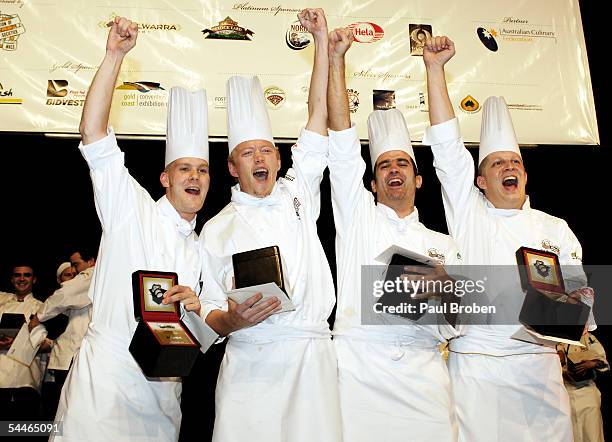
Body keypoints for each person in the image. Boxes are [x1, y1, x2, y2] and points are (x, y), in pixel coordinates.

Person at [51, 16, 218, 441]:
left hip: (162, 402)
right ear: (165, 178)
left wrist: (196, 309)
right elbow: (93, 133)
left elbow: (204, 336)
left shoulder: (203, 251)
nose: (194, 177)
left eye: (202, 169)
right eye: (184, 168)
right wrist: (114, 57)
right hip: (102, 391)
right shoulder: (132, 208)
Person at [422, 35, 592, 441]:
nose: (508, 167)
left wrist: (581, 314)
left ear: (526, 175)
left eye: (515, 161)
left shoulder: (555, 228)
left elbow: (580, 296)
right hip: (479, 371)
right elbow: (446, 146)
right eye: (497, 163)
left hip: (540, 369)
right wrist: (434, 68)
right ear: (481, 180)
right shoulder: (469, 213)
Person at [200, 8, 341, 442]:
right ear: (231, 166)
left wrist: (320, 41)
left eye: (267, 150)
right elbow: (205, 311)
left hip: (312, 358)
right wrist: (231, 320)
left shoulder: (300, 192)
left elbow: (318, 115)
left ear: (279, 160)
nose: (260, 158)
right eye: (248, 153)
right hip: (250, 363)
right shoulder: (216, 230)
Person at [325, 26, 459, 442]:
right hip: (360, 380)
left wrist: (447, 289)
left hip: (425, 384)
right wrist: (335, 60)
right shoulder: (358, 218)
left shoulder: (444, 244)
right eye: (384, 165)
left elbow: (460, 318)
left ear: (419, 180)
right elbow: (343, 147)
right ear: (372, 182)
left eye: (403, 163)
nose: (394, 170)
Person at [29, 250, 95, 419]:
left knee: (69, 414)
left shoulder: (91, 274)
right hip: (66, 359)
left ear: (91, 261)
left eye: (76, 264)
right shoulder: (84, 288)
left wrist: (38, 316)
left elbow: (65, 294)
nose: (74, 271)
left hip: (73, 358)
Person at [0, 264, 50, 420]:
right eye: (17, 275)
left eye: (27, 275)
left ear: (34, 280)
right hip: (0, 380)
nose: (22, 279)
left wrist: (16, 344)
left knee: (23, 431)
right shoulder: (1, 304)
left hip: (26, 381)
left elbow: (49, 344)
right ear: (12, 279)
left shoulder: (43, 308)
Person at [558, 332, 608, 442]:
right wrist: (559, 359)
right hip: (567, 393)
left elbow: (603, 362)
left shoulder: (587, 337)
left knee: (592, 434)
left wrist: (592, 363)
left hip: (587, 391)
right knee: (573, 434)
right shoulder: (556, 339)